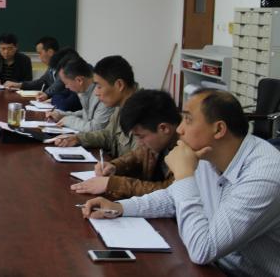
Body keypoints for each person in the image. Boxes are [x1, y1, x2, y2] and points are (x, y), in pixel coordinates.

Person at [82, 89, 280, 277]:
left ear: (219, 129)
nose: (179, 129)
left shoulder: (265, 176)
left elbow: (203, 250)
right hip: (214, 267)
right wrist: (119, 207)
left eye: (188, 119)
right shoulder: (208, 154)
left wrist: (184, 174)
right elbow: (172, 198)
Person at [70, 89, 179, 199]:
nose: (139, 142)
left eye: (141, 136)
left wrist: (113, 184)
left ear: (164, 128)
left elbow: (170, 192)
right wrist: (114, 166)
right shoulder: (158, 142)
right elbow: (138, 156)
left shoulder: (186, 149)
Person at [48, 55, 138, 159]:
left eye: (99, 86)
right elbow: (108, 136)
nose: (96, 92)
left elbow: (137, 158)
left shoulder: (142, 114)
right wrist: (78, 139)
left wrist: (115, 166)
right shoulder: (120, 107)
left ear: (119, 85)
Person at [47, 57, 113, 132]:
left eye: (66, 83)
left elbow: (96, 128)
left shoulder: (103, 95)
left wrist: (68, 120)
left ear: (79, 80)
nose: (66, 87)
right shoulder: (85, 91)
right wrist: (62, 115)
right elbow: (87, 115)